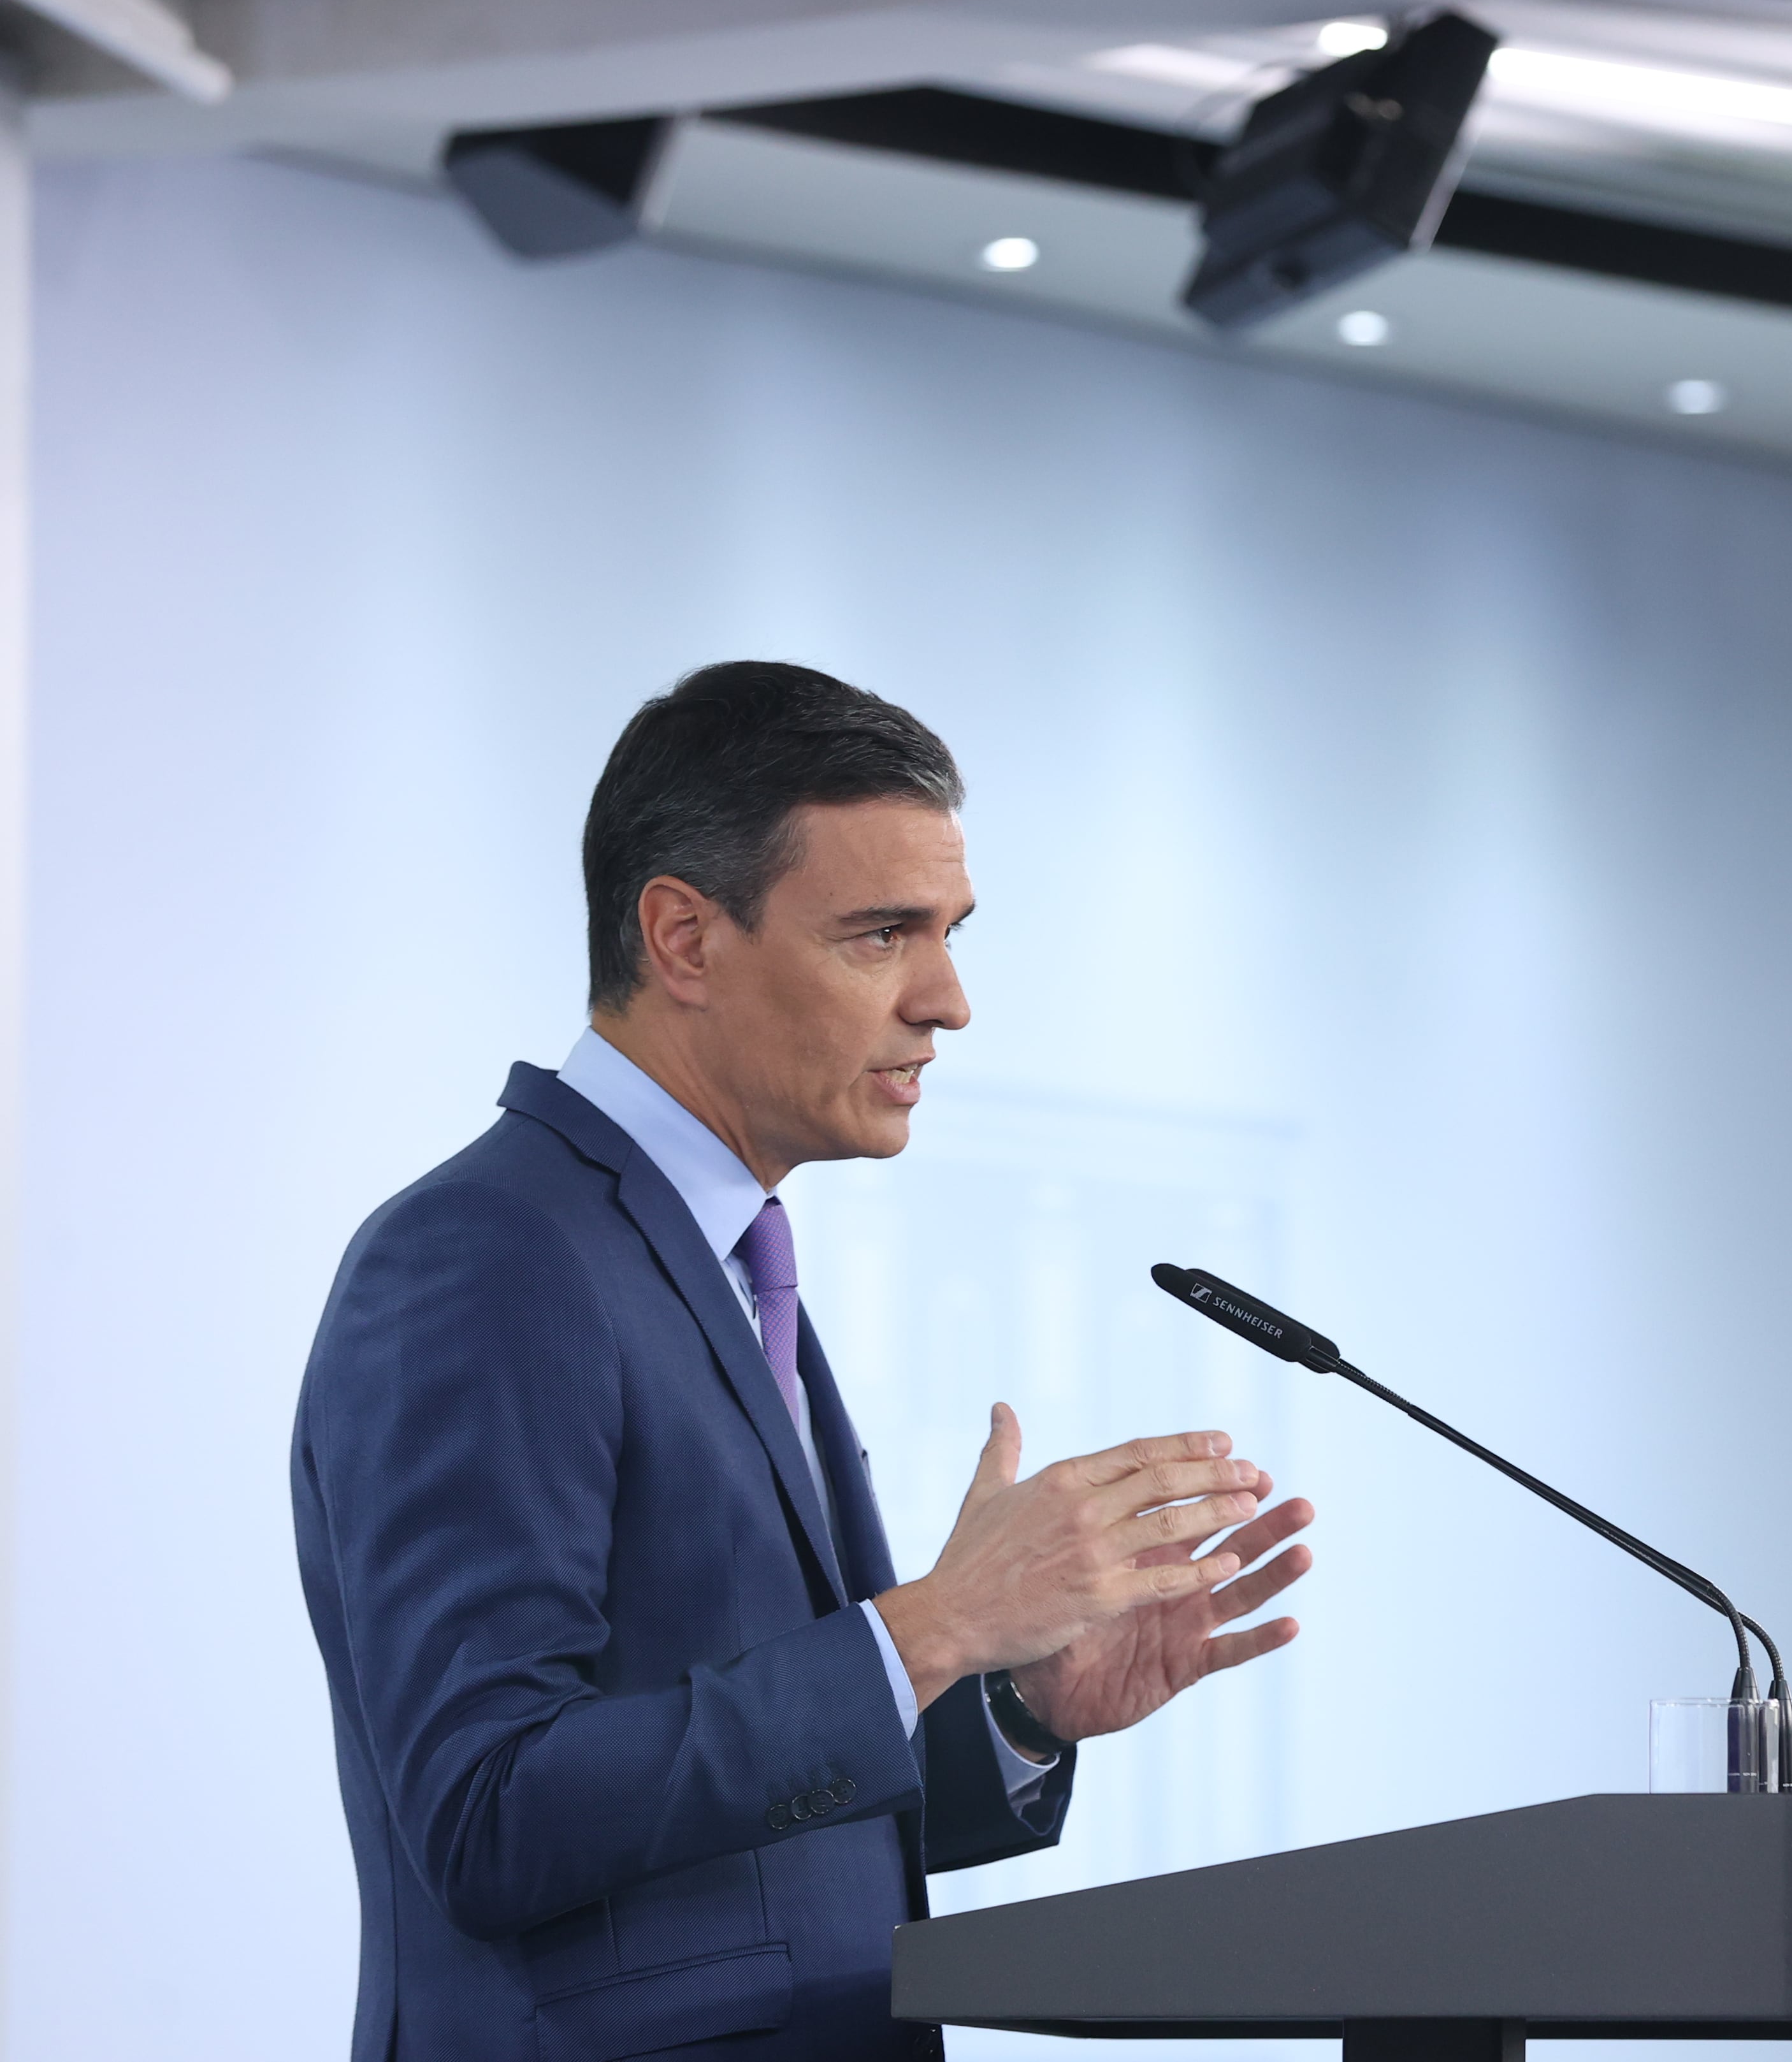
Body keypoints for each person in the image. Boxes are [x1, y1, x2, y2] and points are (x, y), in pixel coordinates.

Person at [291, 662, 1316, 2062]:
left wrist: (1011, 1703)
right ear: (684, 939)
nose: (947, 1001)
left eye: (948, 932)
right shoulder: (488, 1256)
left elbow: (769, 1858)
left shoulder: (719, 1250)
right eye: (882, 934)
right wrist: (931, 1629)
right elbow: (490, 1810)